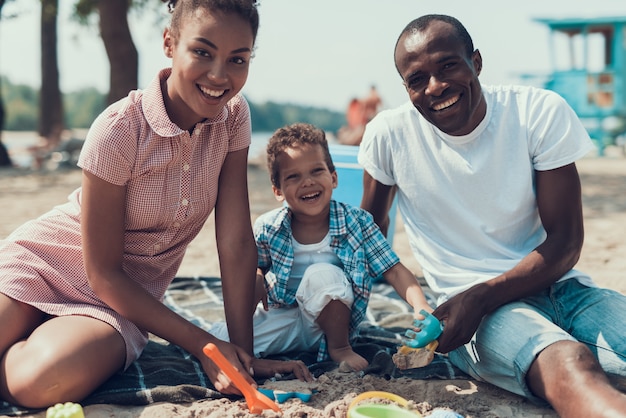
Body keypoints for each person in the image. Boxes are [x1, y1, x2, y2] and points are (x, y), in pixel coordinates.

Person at [0, 0, 311, 409]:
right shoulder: (118, 130)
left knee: (39, 384)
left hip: (125, 304)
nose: (220, 75)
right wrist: (203, 344)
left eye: (238, 59)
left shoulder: (234, 118)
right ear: (169, 42)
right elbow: (102, 271)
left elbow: (235, 245)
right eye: (202, 52)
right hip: (47, 263)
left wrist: (242, 357)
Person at [358, 14, 626, 417]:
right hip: (475, 320)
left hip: (564, 289)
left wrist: (483, 294)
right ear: (406, 88)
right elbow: (367, 237)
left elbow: (566, 242)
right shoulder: (389, 135)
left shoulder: (537, 111)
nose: (436, 87)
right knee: (569, 363)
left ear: (476, 62)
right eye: (417, 79)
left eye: (448, 65)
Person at [212, 122, 432, 372]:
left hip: (332, 325)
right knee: (219, 339)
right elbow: (252, 267)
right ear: (277, 190)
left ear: (334, 177)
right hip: (286, 317)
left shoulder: (357, 223)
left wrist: (420, 305)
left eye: (316, 171)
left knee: (322, 275)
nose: (307, 182)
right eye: (293, 177)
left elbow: (394, 269)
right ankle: (253, 359)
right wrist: (258, 276)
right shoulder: (269, 227)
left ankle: (339, 349)